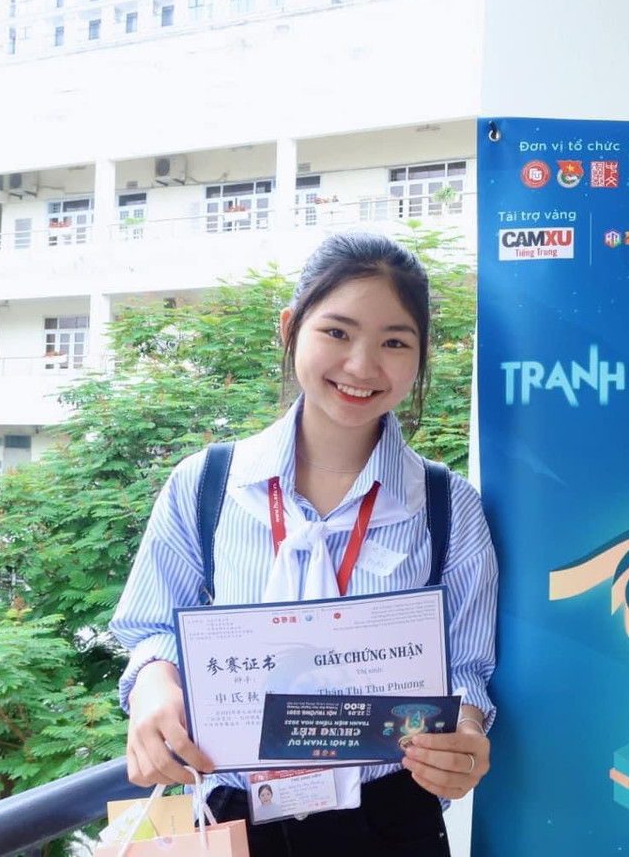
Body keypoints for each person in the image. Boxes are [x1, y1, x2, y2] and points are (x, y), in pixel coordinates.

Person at [111, 231, 498, 856]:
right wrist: (155, 683)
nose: (362, 366)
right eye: (337, 332)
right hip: (230, 817)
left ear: (421, 355)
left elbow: (467, 669)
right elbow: (151, 626)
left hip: (390, 819)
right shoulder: (206, 485)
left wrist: (465, 735)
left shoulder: (447, 505)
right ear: (290, 328)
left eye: (394, 342)